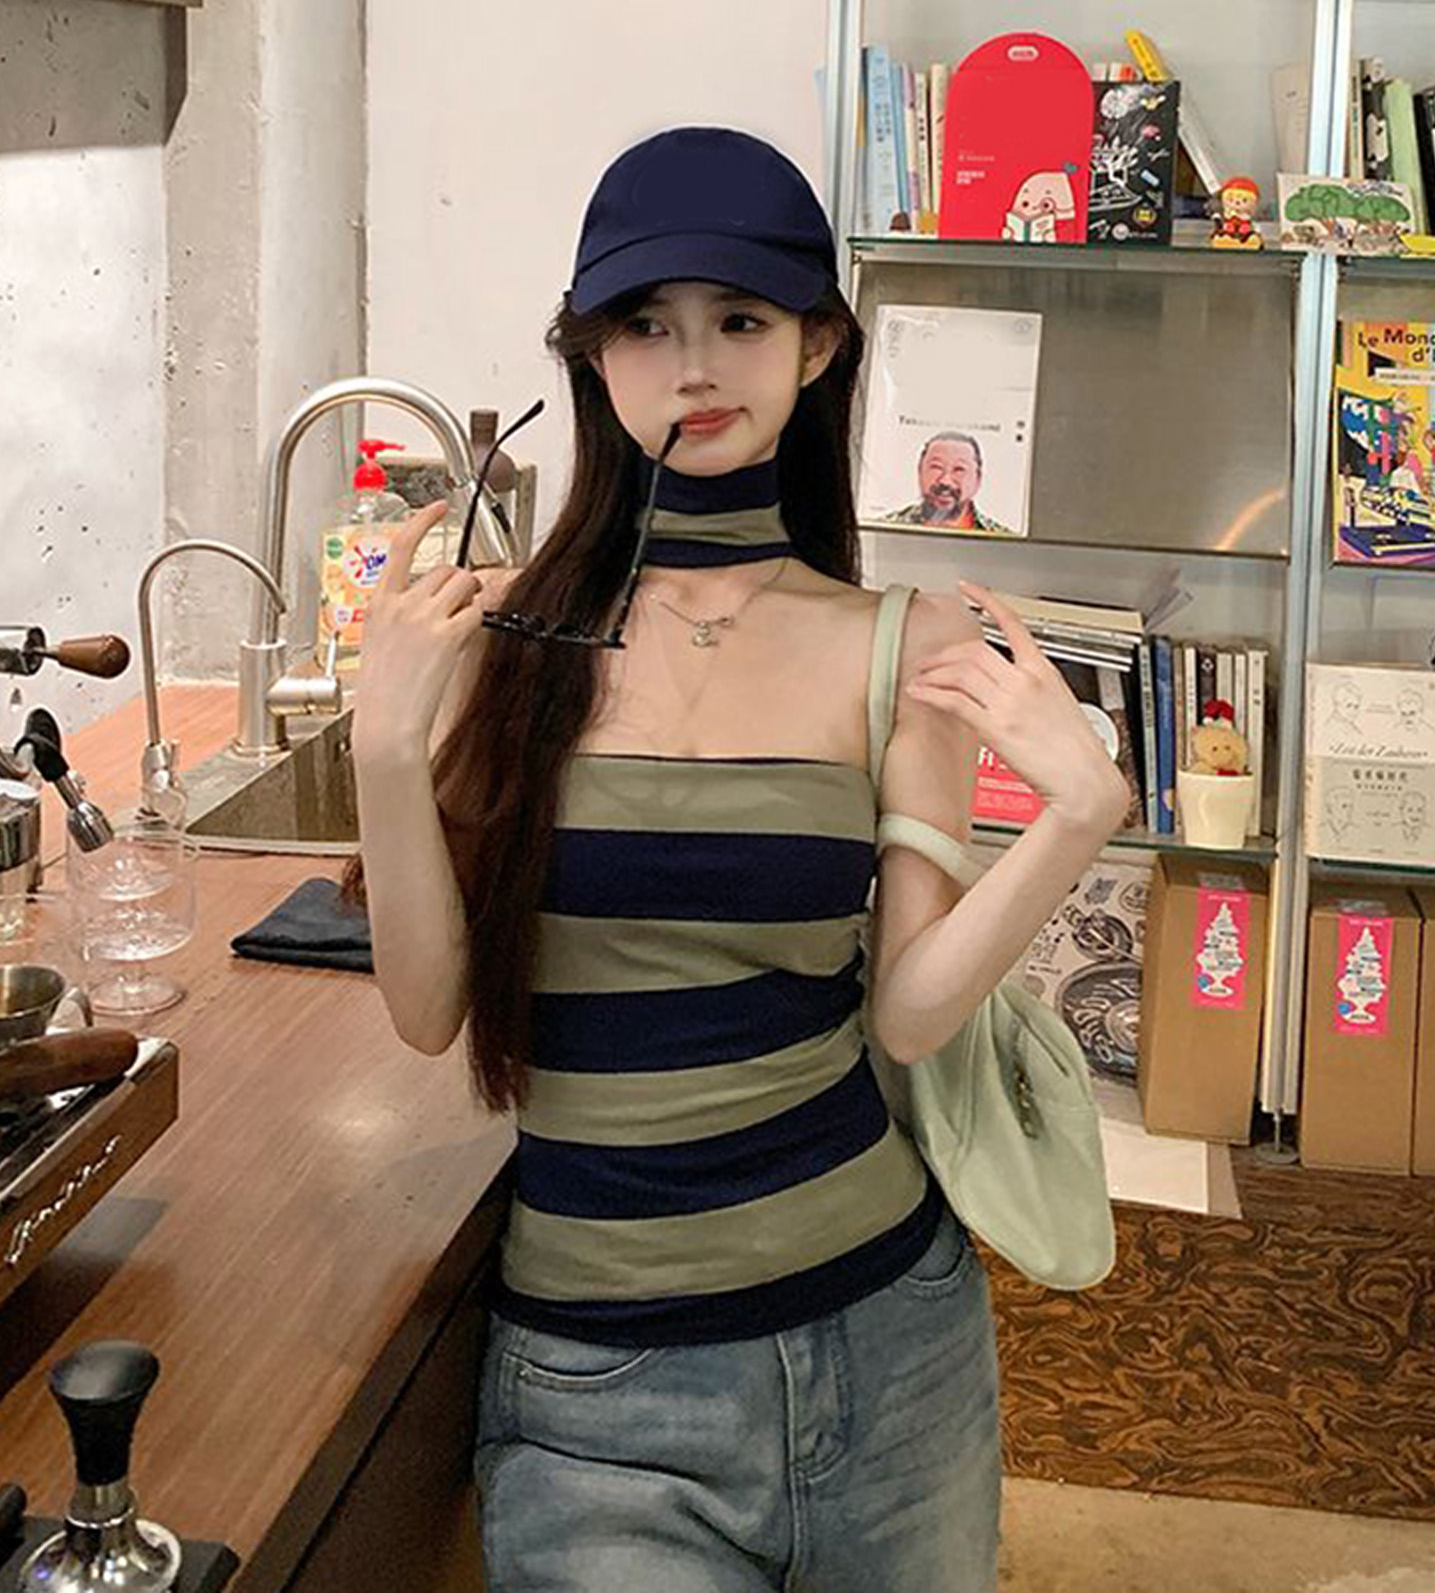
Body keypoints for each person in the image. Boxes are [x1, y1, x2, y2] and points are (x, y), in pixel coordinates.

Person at [347, 125, 1127, 1593]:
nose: (694, 366)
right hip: (597, 1390)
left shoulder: (905, 643)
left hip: (889, 1339)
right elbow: (428, 1009)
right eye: (646, 324)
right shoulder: (499, 642)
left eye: (742, 321)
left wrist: (1079, 817)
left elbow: (910, 1012)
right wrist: (384, 750)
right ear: (590, 354)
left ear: (818, 347)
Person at [881, 431, 1010, 533]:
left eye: (959, 469)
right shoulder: (885, 528)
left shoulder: (1003, 539)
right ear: (920, 471)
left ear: (978, 479)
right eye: (936, 467)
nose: (945, 481)